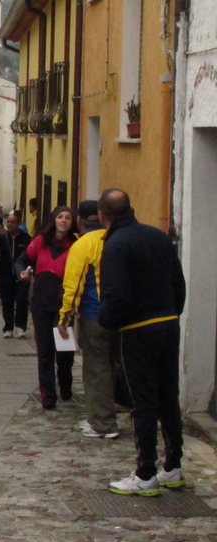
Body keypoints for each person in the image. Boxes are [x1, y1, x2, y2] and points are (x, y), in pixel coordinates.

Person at [97, 189, 186, 496]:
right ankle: (173, 466)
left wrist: (106, 322)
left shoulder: (115, 245)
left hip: (136, 331)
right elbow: (179, 284)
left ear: (102, 215)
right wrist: (171, 314)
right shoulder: (159, 237)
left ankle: (145, 471)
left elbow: (117, 296)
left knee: (143, 402)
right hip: (167, 325)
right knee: (168, 397)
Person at [57, 200, 118, 437]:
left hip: (94, 315)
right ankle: (100, 415)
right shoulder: (116, 239)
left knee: (95, 370)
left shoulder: (83, 245)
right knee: (111, 367)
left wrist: (65, 319)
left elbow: (73, 286)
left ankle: (102, 423)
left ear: (80, 220)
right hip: (121, 315)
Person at [16, 206, 77, 409]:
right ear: (54, 220)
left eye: (68, 217)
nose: (64, 220)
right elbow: (21, 260)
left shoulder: (75, 245)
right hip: (41, 303)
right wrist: (22, 273)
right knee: (45, 352)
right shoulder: (40, 242)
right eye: (60, 217)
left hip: (64, 307)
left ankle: (66, 386)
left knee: (65, 353)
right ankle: (48, 396)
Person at [0, 213, 31, 338]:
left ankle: (20, 326)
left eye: (13, 222)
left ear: (18, 224)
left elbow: (31, 256)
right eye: (8, 222)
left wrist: (29, 271)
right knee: (7, 302)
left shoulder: (26, 239)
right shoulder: (0, 239)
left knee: (22, 301)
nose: (10, 224)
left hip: (22, 276)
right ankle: (8, 327)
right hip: (5, 275)